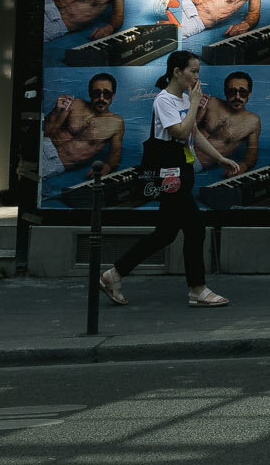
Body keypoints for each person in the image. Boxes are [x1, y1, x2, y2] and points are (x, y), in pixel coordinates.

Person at [99, 51, 238, 309]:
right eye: (193, 71)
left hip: (181, 172)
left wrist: (220, 158)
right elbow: (180, 131)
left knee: (165, 234)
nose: (197, 77)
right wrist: (195, 103)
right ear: (176, 71)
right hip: (170, 175)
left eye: (198, 72)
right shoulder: (164, 101)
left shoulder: (183, 98)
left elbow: (194, 135)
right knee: (195, 228)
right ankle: (198, 289)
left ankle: (113, 275)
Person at [41, 72, 125, 177]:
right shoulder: (76, 103)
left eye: (107, 94)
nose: (101, 98)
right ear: (90, 93)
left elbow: (116, 153)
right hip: (43, 144)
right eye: (96, 93)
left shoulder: (116, 123)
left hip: (56, 162)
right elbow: (46, 131)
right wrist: (55, 111)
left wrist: (108, 166)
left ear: (113, 95)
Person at [195, 71, 261, 180]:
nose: (237, 97)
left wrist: (242, 167)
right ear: (225, 92)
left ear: (249, 93)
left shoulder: (253, 121)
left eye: (243, 92)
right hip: (180, 147)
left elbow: (252, 155)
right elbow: (188, 130)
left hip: (195, 162)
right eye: (232, 92)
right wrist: (196, 109)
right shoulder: (212, 102)